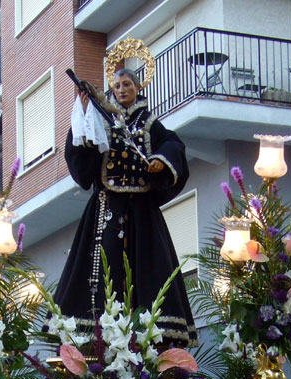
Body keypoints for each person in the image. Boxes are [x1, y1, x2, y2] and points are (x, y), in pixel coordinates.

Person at [55, 67, 197, 347]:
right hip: (107, 208)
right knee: (103, 265)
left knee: (148, 267)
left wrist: (160, 159)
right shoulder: (102, 120)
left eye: (127, 84)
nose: (121, 89)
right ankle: (100, 329)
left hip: (142, 211)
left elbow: (172, 144)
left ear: (137, 87)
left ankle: (148, 329)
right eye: (117, 85)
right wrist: (85, 116)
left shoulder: (150, 124)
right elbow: (82, 150)